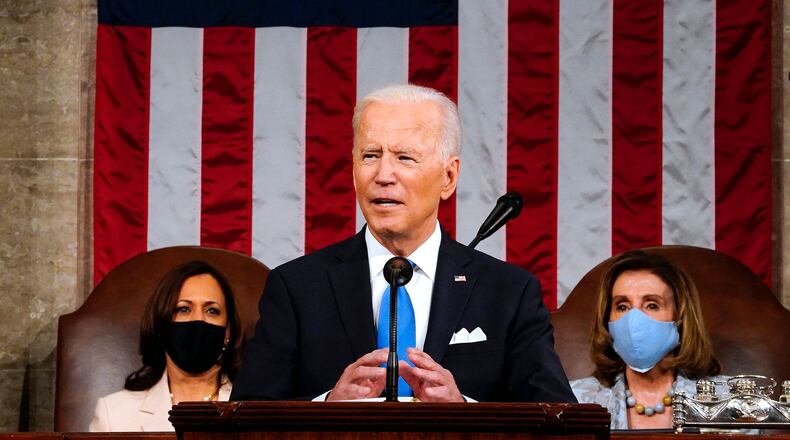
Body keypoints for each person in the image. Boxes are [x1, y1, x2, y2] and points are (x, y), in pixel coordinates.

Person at [230, 84, 575, 403]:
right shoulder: (297, 289)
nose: (382, 175)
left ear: (448, 177)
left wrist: (465, 412)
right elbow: (244, 420)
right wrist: (327, 408)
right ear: (353, 170)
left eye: (404, 158)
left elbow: (559, 421)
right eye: (369, 156)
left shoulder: (508, 293)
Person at [570, 250, 724, 429]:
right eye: (622, 306)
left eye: (652, 305)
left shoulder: (730, 402)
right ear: (607, 320)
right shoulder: (574, 402)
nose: (634, 319)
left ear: (681, 317)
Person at [89, 261, 242, 431]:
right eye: (183, 309)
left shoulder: (253, 410)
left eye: (212, 310)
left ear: (227, 332)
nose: (198, 320)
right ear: (161, 325)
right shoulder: (113, 414)